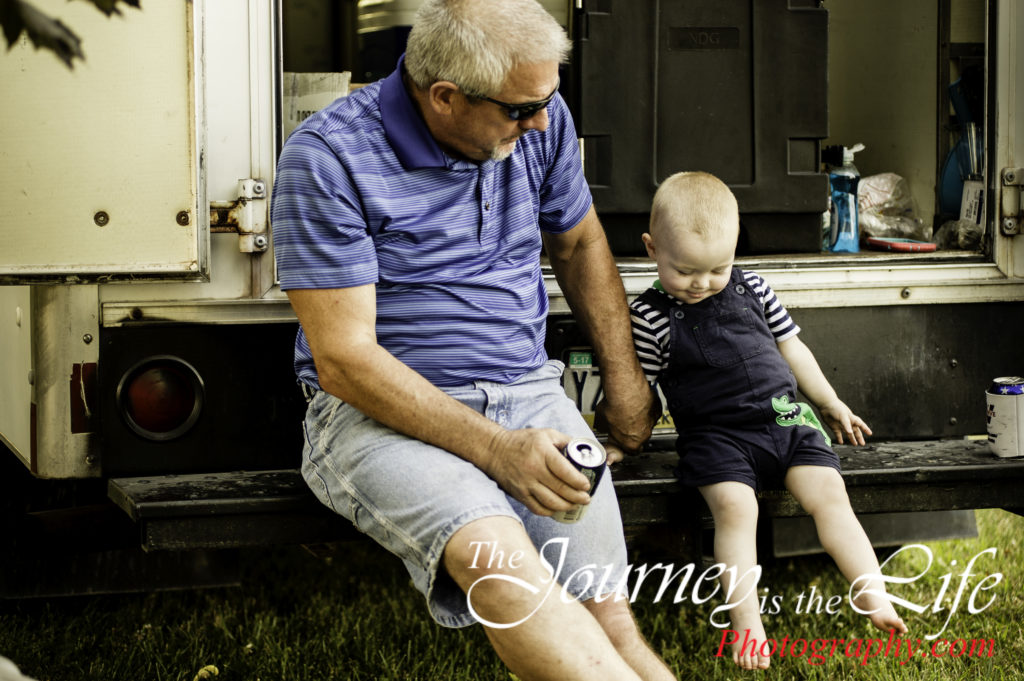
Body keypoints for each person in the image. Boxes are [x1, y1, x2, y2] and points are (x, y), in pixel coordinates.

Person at [270, 1, 675, 679]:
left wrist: (626, 377)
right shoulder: (327, 156)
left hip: (528, 392)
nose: (542, 121)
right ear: (445, 97)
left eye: (547, 100)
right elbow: (344, 361)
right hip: (380, 415)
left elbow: (578, 242)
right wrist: (497, 449)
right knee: (505, 566)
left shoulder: (539, 115)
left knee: (609, 617)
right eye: (521, 109)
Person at [630, 171, 908, 670]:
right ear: (652, 249)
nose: (702, 283)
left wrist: (830, 402)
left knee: (830, 496)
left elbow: (792, 349)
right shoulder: (649, 316)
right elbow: (641, 387)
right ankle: (747, 625)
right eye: (686, 270)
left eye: (718, 268)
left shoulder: (754, 287)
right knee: (736, 511)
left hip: (785, 419)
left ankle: (871, 591)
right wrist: (625, 438)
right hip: (716, 437)